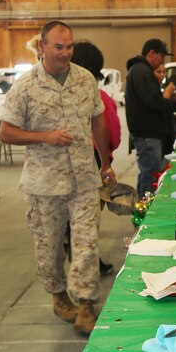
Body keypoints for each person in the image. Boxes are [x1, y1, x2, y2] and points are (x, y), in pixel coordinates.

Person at [0, 20, 116, 336]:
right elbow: (6, 132)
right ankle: (58, 295)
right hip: (45, 184)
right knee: (49, 248)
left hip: (84, 179)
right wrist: (44, 136)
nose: (66, 53)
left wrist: (105, 164)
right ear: (43, 47)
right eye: (59, 47)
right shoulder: (25, 86)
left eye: (70, 47)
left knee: (86, 244)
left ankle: (87, 304)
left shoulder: (84, 79)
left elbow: (98, 122)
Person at [71, 39, 122, 277]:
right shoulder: (99, 96)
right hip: (92, 162)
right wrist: (107, 162)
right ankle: (88, 267)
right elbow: (112, 132)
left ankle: (76, 260)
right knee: (89, 221)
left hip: (60, 169)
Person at [125, 39, 176, 198]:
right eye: (162, 57)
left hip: (147, 133)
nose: (162, 62)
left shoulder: (140, 70)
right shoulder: (142, 71)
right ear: (152, 53)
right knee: (150, 174)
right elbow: (153, 101)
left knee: (149, 173)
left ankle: (144, 208)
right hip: (148, 133)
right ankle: (146, 211)